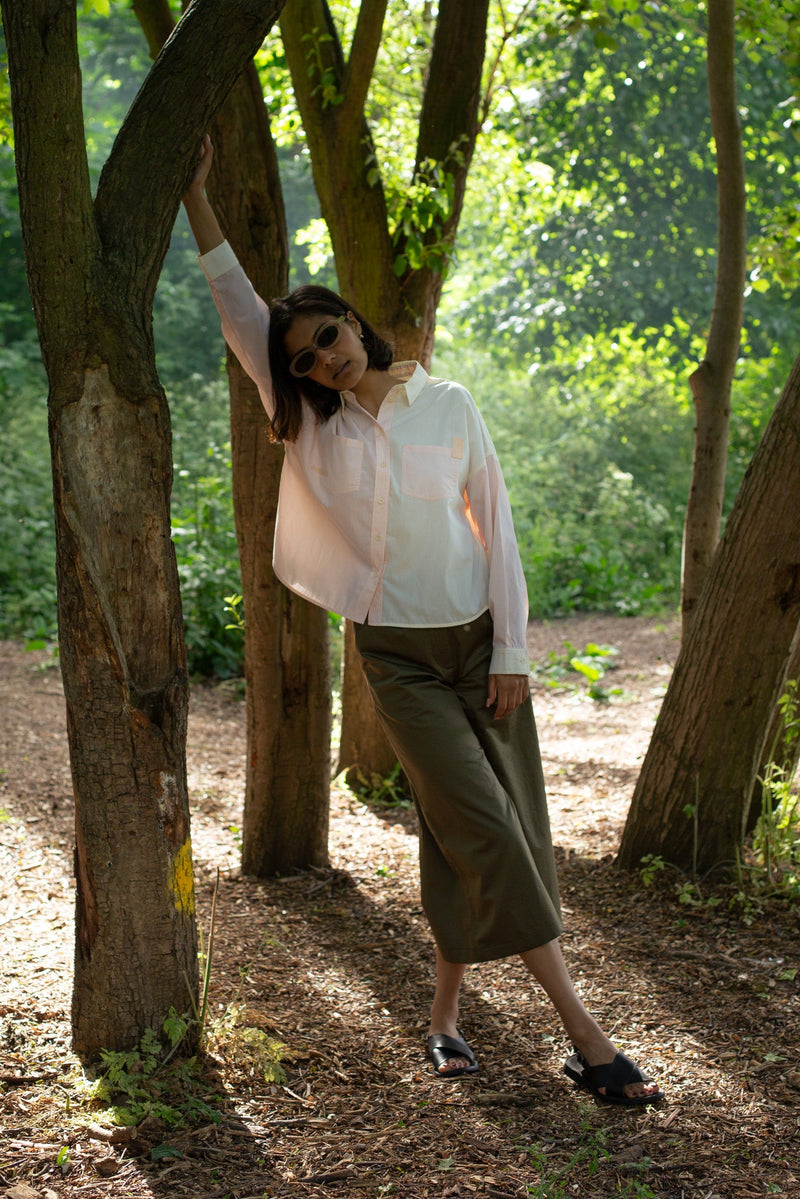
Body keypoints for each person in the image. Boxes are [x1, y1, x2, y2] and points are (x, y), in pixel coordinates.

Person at [182, 137, 663, 1106]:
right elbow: (241, 308)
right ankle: (587, 1038)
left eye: (326, 334)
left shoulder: (446, 402)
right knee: (487, 825)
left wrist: (517, 648)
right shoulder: (306, 423)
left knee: (472, 829)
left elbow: (496, 521)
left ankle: (443, 1019)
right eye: (304, 356)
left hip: (481, 642)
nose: (321, 356)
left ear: (351, 320)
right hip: (396, 654)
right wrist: (195, 195)